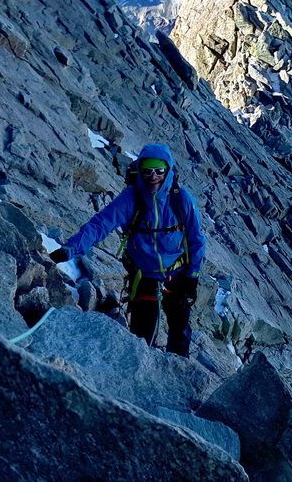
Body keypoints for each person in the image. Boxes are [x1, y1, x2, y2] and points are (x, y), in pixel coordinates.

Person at [49, 143, 206, 357]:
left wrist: (192, 277)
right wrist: (69, 249)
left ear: (168, 171)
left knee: (179, 332)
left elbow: (196, 239)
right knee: (141, 338)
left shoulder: (181, 200)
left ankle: (176, 376)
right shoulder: (131, 198)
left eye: (159, 171)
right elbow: (99, 225)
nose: (153, 176)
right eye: (147, 170)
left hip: (177, 274)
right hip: (143, 275)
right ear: (140, 169)